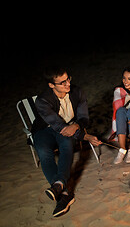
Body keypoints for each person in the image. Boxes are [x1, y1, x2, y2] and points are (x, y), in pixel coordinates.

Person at [32, 66, 102, 217]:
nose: (67, 84)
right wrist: (84, 136)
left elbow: (84, 118)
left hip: (69, 127)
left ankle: (59, 188)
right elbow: (59, 127)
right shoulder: (42, 100)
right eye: (62, 82)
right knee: (44, 152)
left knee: (66, 144)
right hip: (45, 130)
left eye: (68, 79)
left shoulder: (77, 92)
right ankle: (63, 192)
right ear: (51, 85)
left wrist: (78, 126)